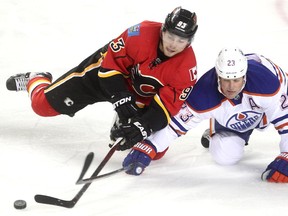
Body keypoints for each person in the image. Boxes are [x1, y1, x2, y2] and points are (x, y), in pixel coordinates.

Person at [6, 7, 198, 153]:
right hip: (104, 76)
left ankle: (125, 118)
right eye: (171, 36)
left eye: (181, 40)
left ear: (189, 41)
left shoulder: (187, 70)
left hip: (142, 96)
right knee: (42, 106)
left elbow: (165, 109)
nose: (173, 44)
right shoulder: (139, 33)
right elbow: (109, 66)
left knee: (150, 148)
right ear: (163, 30)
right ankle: (37, 79)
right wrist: (120, 97)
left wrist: (143, 127)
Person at [123, 47, 288, 182]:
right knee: (224, 155)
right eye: (225, 79)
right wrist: (149, 146)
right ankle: (216, 131)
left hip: (271, 103)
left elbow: (285, 120)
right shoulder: (203, 93)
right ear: (218, 76)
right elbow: (176, 125)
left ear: (244, 76)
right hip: (235, 116)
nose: (231, 87)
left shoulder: (268, 85)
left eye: (236, 79)